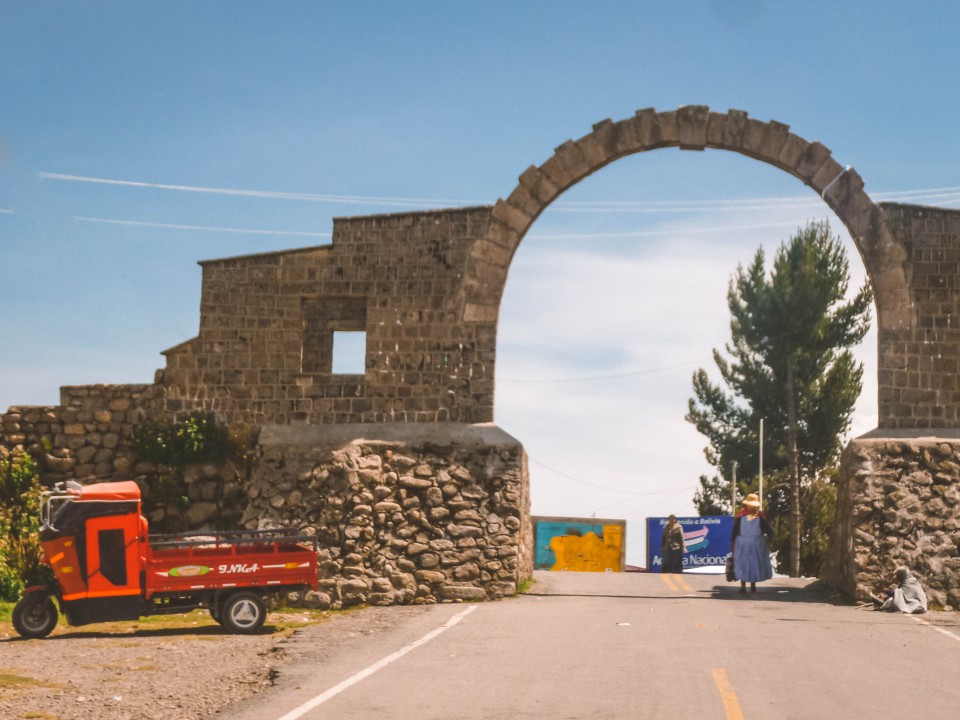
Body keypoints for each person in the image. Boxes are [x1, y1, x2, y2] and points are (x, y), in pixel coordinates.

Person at [730, 493, 773, 593]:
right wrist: (769, 540)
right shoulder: (743, 518)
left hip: (746, 545)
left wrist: (732, 542)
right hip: (748, 545)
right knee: (748, 564)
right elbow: (769, 531)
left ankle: (747, 585)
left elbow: (734, 532)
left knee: (748, 564)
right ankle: (746, 585)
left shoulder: (747, 518)